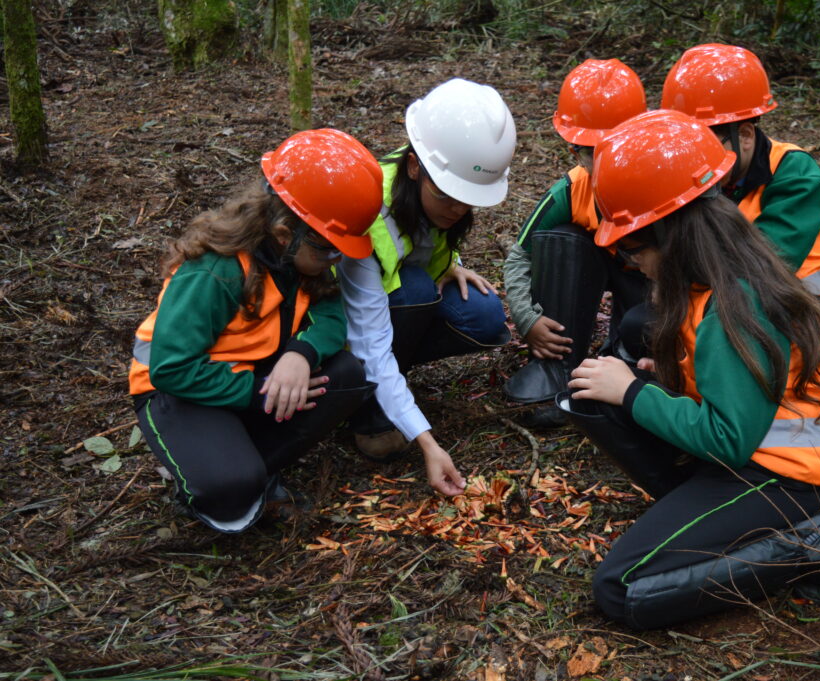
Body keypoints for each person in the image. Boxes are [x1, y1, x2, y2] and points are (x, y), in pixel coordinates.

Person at [557, 109, 820, 629]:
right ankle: (708, 516)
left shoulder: (733, 308)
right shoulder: (717, 274)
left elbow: (727, 440)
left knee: (621, 588)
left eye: (633, 248)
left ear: (672, 237)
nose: (632, 264)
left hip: (781, 475)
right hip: (754, 452)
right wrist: (672, 377)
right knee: (599, 399)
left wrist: (634, 392)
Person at [129, 129, 384, 533]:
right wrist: (256, 390)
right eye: (329, 249)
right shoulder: (215, 271)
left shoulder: (302, 261)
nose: (335, 259)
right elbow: (171, 369)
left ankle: (246, 460)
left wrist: (301, 354)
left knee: (349, 376)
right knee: (231, 491)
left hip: (255, 378)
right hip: (180, 393)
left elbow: (333, 315)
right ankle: (212, 471)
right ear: (285, 234)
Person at [339, 78, 515, 485]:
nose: (458, 210)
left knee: (484, 315)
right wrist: (428, 443)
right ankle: (367, 408)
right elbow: (368, 334)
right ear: (415, 166)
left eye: (468, 199)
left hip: (392, 308)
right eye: (447, 196)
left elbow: (422, 240)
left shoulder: (435, 176)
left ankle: (395, 383)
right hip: (346, 328)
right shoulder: (367, 212)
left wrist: (450, 261)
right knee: (416, 291)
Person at [661, 43, 820, 328]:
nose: (694, 158)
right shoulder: (697, 170)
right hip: (720, 288)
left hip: (800, 298)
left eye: (706, 146)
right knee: (641, 325)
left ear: (745, 136)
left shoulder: (795, 173)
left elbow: (765, 266)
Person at [503, 59, 648, 423]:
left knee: (640, 331)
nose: (604, 164)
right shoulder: (570, 192)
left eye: (613, 149)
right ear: (574, 152)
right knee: (560, 237)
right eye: (591, 154)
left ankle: (633, 363)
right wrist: (527, 318)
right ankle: (559, 370)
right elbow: (521, 255)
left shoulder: (664, 177)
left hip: (655, 287)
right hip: (606, 265)